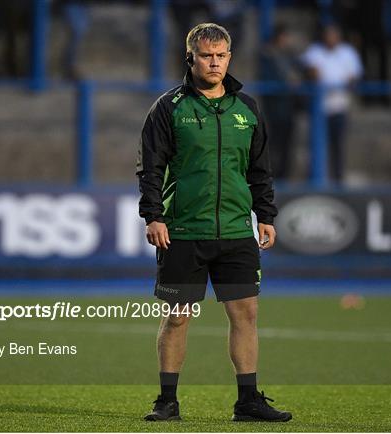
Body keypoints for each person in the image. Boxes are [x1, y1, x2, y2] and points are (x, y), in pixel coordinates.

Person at [136, 22, 291, 423]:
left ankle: (248, 401)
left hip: (237, 232)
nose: (215, 62)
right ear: (191, 58)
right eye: (207, 56)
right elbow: (150, 168)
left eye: (222, 55)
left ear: (229, 58)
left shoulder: (247, 109)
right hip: (184, 231)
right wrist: (154, 215)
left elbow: (260, 170)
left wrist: (266, 215)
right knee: (178, 315)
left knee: (247, 315)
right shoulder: (169, 108)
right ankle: (167, 401)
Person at [300, 23, 363, 182]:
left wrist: (346, 82)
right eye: (328, 36)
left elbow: (354, 76)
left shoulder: (348, 52)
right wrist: (314, 74)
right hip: (319, 108)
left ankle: (337, 179)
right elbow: (309, 70)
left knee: (338, 145)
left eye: (333, 36)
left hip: (339, 106)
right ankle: (314, 179)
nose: (330, 39)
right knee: (316, 145)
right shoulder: (315, 51)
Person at [259, 24, 301, 180]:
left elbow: (300, 72)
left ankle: (284, 176)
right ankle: (271, 176)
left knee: (287, 145)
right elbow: (268, 79)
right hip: (274, 108)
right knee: (274, 144)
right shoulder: (268, 56)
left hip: (289, 108)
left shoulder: (290, 56)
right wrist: (287, 83)